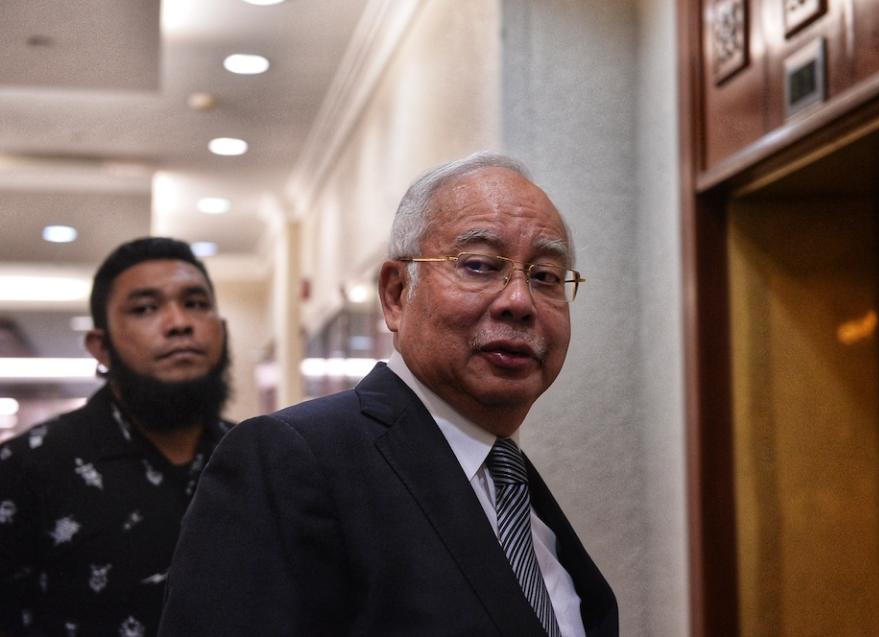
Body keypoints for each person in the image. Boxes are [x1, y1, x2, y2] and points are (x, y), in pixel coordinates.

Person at [159, 152, 618, 636]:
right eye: (480, 266)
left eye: (545, 276)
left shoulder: (511, 482)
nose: (519, 301)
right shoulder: (290, 460)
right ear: (397, 294)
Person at [0, 237, 232, 637]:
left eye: (195, 303)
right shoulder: (27, 468)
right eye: (145, 308)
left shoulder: (253, 457)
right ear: (101, 347)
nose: (179, 323)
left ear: (221, 330)